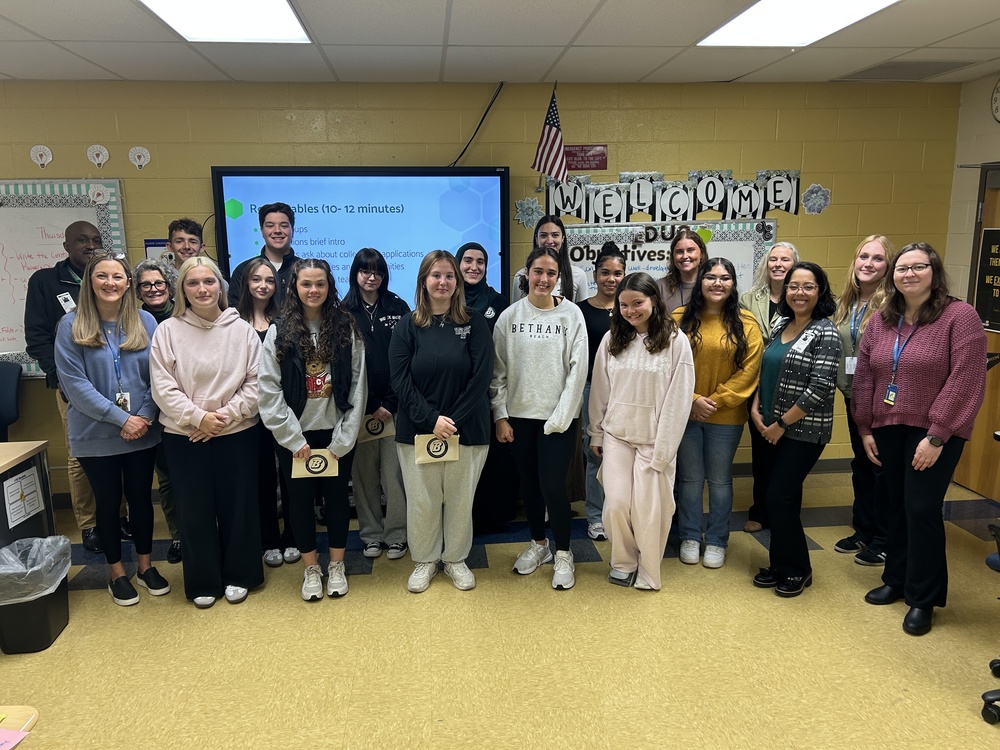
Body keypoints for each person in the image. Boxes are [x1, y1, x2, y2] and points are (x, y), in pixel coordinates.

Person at [853, 243, 986, 636]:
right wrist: (864, 427)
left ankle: (923, 597)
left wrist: (938, 434)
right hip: (887, 426)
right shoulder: (882, 319)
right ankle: (896, 578)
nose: (909, 274)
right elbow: (865, 375)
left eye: (918, 267)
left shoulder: (959, 317)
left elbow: (966, 379)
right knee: (895, 504)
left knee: (922, 509)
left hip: (933, 432)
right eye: (902, 268)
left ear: (934, 271)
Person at [54, 252, 169, 606]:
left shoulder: (146, 321)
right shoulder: (71, 325)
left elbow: (160, 376)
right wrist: (123, 419)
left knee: (141, 501)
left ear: (128, 283)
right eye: (102, 276)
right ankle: (116, 572)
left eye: (117, 277)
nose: (110, 283)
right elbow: (75, 386)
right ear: (90, 282)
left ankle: (146, 568)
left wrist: (144, 416)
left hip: (143, 429)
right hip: (95, 434)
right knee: (108, 504)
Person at [150, 257, 263, 609]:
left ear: (221, 286)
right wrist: (199, 419)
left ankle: (241, 575)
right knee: (194, 510)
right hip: (185, 435)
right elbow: (162, 387)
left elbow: (257, 383)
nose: (202, 289)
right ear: (182, 289)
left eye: (209, 282)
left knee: (239, 506)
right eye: (193, 283)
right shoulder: (167, 331)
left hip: (237, 432)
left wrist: (223, 418)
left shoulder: (242, 330)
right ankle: (203, 580)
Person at [259, 259, 366, 601]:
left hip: (335, 434)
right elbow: (268, 389)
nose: (313, 290)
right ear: (294, 287)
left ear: (329, 286)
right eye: (306, 284)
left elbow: (359, 385)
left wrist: (345, 437)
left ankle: (336, 565)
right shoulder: (279, 330)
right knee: (300, 504)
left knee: (337, 502)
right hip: (296, 438)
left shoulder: (346, 326)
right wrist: (292, 439)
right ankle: (310, 568)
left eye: (320, 284)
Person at [389, 250, 493, 593]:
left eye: (450, 276)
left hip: (467, 429)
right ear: (423, 281)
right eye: (436, 275)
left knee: (461, 498)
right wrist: (432, 421)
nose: (443, 282)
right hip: (419, 429)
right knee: (423, 499)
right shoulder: (408, 324)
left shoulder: (474, 322)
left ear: (458, 282)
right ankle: (425, 559)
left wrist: (452, 422)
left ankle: (455, 559)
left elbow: (481, 378)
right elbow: (400, 380)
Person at [589, 272, 695, 590]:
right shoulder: (612, 340)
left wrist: (664, 450)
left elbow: (679, 401)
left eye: (638, 303)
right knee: (617, 505)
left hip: (654, 442)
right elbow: (600, 391)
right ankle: (623, 562)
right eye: (624, 305)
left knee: (650, 511)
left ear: (653, 301)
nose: (631, 310)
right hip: (617, 437)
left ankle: (648, 570)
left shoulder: (676, 341)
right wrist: (596, 433)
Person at [493, 247, 588, 590]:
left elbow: (578, 373)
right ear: (526, 275)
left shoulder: (572, 316)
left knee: (552, 486)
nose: (544, 279)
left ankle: (564, 552)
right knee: (530, 487)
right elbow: (498, 373)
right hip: (519, 418)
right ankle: (539, 545)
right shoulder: (509, 317)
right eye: (538, 272)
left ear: (558, 277)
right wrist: (501, 416)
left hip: (558, 420)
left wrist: (561, 418)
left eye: (551, 273)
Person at [750, 261, 840, 597]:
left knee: (780, 497)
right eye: (793, 286)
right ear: (785, 291)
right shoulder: (781, 325)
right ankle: (779, 565)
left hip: (802, 431)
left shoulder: (825, 332)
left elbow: (819, 388)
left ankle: (798, 569)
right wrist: (757, 409)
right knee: (779, 499)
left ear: (820, 291)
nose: (799, 293)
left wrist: (782, 423)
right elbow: (765, 371)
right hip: (770, 424)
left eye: (808, 287)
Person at [674, 258, 763, 569]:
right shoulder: (677, 319)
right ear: (700, 282)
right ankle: (688, 535)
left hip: (726, 416)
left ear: (733, 283)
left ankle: (716, 540)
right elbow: (667, 365)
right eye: (710, 277)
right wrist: (693, 399)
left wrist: (715, 400)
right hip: (684, 413)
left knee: (721, 480)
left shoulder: (747, 323)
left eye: (725, 278)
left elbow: (749, 371)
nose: (717, 283)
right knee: (689, 479)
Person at [25, 220, 104, 553]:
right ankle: (89, 526)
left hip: (110, 382)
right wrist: (58, 375)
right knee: (79, 454)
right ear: (67, 245)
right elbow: (37, 336)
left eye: (96, 240)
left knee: (119, 448)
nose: (90, 245)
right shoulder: (46, 281)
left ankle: (121, 516)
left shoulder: (106, 277)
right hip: (69, 385)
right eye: (82, 240)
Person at [342, 248, 410, 560]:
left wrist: (389, 404)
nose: (372, 277)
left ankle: (397, 535)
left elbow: (409, 360)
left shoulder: (399, 306)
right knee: (364, 477)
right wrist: (368, 405)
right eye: (366, 271)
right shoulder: (342, 313)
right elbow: (341, 367)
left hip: (394, 409)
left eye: (378, 272)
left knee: (394, 477)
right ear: (355, 273)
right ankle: (370, 534)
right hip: (358, 411)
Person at [831, 235, 895, 567]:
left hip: (884, 401)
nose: (868, 264)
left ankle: (884, 538)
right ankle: (864, 529)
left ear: (889, 266)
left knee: (881, 466)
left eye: (878, 259)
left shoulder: (892, 305)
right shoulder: (847, 303)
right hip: (853, 395)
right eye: (863, 257)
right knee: (862, 464)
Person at [236, 257, 299, 569]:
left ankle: (292, 536)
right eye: (257, 280)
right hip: (249, 414)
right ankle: (268, 539)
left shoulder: (286, 319)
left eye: (269, 280)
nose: (263, 285)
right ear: (246, 284)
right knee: (261, 476)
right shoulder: (233, 321)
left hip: (284, 410)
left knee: (290, 475)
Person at [739, 241, 800, 533]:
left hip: (793, 384)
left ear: (794, 264)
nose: (778, 264)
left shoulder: (802, 298)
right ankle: (760, 510)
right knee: (762, 451)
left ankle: (785, 512)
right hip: (757, 383)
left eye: (785, 260)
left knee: (790, 452)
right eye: (773, 259)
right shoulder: (749, 299)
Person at [455, 241, 515, 533]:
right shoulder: (445, 299)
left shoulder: (498, 302)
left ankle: (492, 516)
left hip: (490, 390)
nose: (473, 267)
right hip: (453, 391)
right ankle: (461, 518)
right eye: (467, 260)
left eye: (480, 261)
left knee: (490, 456)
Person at [133, 257, 182, 564]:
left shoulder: (182, 316)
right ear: (137, 290)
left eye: (159, 283)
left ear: (170, 287)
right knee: (166, 479)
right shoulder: (131, 320)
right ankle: (178, 535)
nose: (153, 290)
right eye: (146, 285)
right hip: (148, 410)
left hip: (184, 409)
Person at [578, 242, 626, 541]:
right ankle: (595, 517)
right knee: (595, 453)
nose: (611, 279)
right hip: (591, 390)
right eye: (605, 273)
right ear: (595, 275)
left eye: (618, 273)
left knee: (623, 455)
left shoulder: (632, 308)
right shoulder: (580, 311)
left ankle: (618, 513)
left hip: (626, 394)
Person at [228, 202, 302, 308]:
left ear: (293, 231)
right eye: (270, 226)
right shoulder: (243, 270)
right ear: (262, 231)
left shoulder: (304, 270)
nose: (277, 231)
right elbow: (236, 311)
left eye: (284, 226)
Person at [511, 215, 591, 302]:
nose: (549, 241)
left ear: (562, 238)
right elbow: (516, 312)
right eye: (543, 235)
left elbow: (581, 313)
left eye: (555, 235)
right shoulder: (521, 275)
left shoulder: (578, 275)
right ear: (536, 239)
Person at [656, 228, 708, 312]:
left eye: (690, 250)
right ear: (673, 256)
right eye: (679, 252)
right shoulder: (659, 287)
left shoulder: (711, 286)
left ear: (701, 254)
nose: (685, 256)